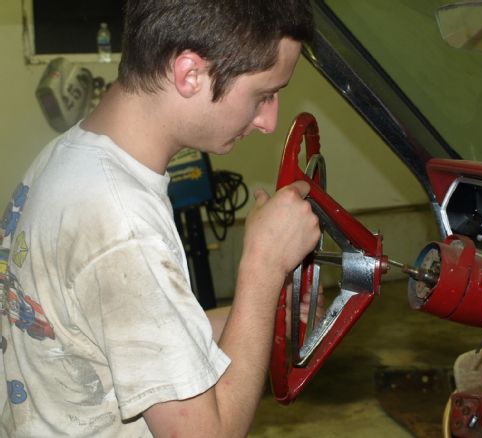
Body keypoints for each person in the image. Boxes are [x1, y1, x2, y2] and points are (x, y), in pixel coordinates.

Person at [0, 0, 320, 436]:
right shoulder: (121, 222)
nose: (269, 121)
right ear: (189, 73)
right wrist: (263, 268)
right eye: (263, 95)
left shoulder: (70, 156)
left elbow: (126, 342)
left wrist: (256, 315)